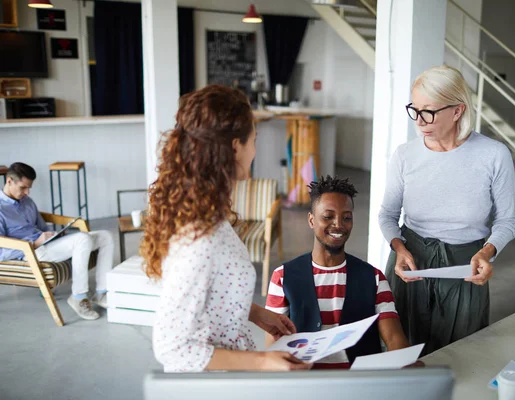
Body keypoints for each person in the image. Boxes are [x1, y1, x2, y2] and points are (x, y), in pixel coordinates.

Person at [141, 85, 312, 373]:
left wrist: (256, 313)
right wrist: (263, 361)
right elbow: (171, 347)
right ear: (236, 146)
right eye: (254, 140)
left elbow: (210, 294)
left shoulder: (203, 211)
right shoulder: (200, 239)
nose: (255, 151)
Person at [379, 65, 515, 356]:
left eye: (429, 111)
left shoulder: (493, 155)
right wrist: (399, 248)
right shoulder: (405, 155)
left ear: (457, 111)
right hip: (411, 263)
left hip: (465, 267)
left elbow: (506, 222)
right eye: (415, 110)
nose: (419, 121)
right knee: (403, 352)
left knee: (461, 355)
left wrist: (487, 252)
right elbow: (388, 215)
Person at [266, 175, 409, 369]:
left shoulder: (374, 278)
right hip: (304, 384)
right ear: (311, 220)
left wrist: (402, 366)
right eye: (328, 216)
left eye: (346, 217)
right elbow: (272, 347)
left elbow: (394, 339)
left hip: (358, 386)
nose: (339, 225)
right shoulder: (282, 277)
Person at [0, 162, 114, 321]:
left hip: (46, 244)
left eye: (29, 188)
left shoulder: (27, 202)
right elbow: (1, 251)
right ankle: (78, 297)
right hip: (30, 252)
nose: (27, 192)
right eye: (23, 188)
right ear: (9, 181)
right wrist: (35, 244)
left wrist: (54, 235)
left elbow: (41, 227)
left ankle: (101, 293)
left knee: (105, 236)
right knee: (82, 239)